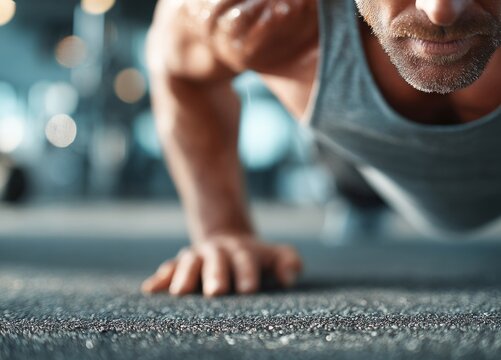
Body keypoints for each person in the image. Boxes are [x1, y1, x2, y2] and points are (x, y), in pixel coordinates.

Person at [141, 0, 501, 297]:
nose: (441, 12)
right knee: (348, 172)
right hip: (360, 161)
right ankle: (354, 194)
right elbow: (174, 63)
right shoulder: (265, 15)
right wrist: (222, 229)